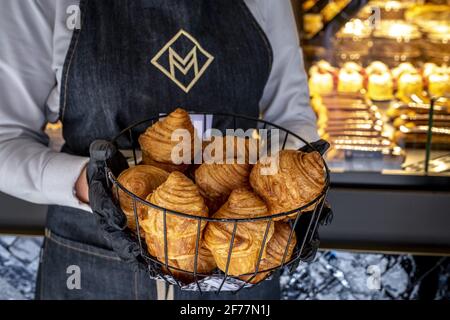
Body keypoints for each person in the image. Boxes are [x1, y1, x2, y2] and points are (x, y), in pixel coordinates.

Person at [0, 0, 319, 300]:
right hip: (92, 261)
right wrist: (89, 183)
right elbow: (5, 140)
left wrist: (294, 197)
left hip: (241, 259)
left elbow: (292, 118)